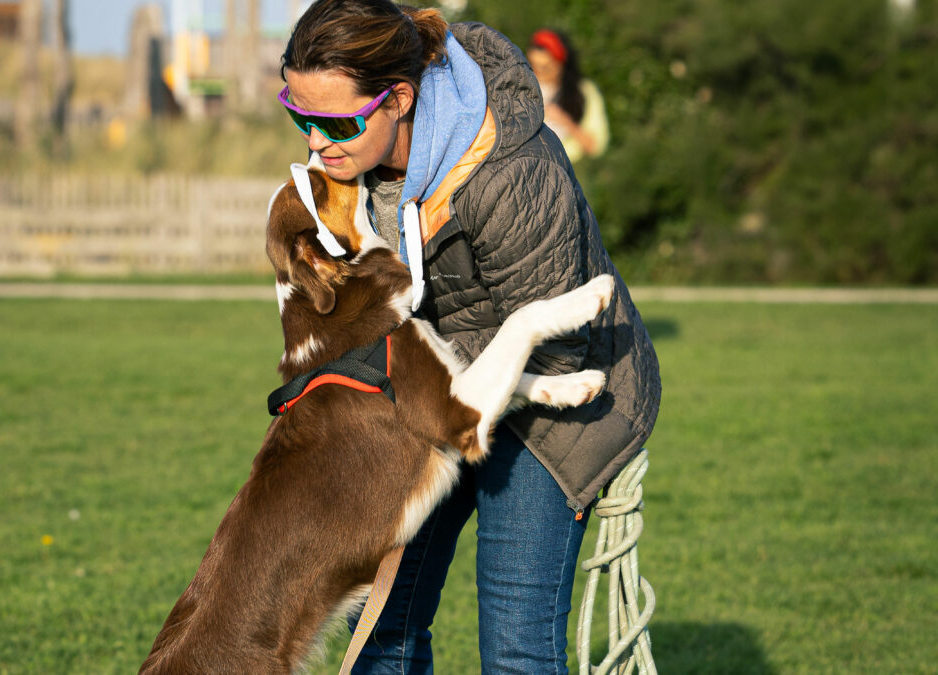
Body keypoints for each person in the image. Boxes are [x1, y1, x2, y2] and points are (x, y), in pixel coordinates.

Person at [278, 1, 660, 672]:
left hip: (551, 403)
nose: (315, 140)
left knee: (515, 645)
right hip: (440, 396)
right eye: (298, 114)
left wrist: (436, 392)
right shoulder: (346, 167)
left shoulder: (509, 169)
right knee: (380, 634)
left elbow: (556, 339)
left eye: (336, 120)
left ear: (397, 99)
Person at [527, 27, 610, 163]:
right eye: (534, 65)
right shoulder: (522, 82)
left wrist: (565, 121)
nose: (538, 72)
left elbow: (595, 146)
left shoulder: (583, 92)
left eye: (545, 67)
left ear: (561, 64)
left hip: (563, 167)